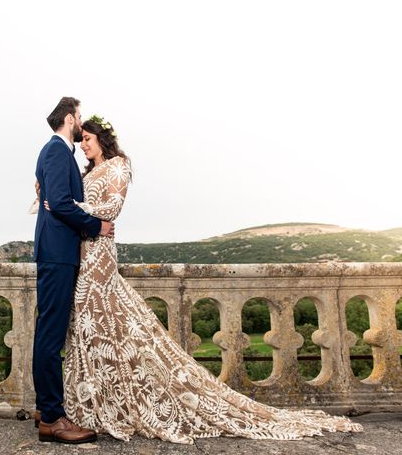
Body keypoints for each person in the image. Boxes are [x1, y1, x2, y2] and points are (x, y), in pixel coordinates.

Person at [41, 115, 363, 445]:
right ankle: (91, 402)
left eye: (88, 138)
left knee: (109, 327)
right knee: (86, 329)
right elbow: (66, 204)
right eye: (80, 140)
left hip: (100, 255)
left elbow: (113, 207)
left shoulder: (118, 165)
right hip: (80, 254)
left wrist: (71, 205)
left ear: (101, 138)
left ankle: (135, 398)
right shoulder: (85, 172)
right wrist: (50, 195)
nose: (83, 144)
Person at [32, 97, 115, 444]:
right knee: (50, 336)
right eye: (79, 116)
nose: (81, 122)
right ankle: (52, 418)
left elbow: (55, 198)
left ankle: (44, 408)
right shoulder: (56, 151)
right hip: (57, 253)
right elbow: (62, 204)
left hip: (58, 252)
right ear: (69, 118)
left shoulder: (57, 153)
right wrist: (97, 227)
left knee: (49, 333)